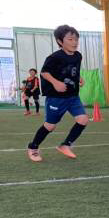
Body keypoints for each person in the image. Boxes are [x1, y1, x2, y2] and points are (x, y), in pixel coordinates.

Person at [26, 25, 88, 162]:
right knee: (50, 125)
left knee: (83, 119)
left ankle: (66, 145)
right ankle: (33, 147)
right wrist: (56, 83)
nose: (74, 42)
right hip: (56, 98)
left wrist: (79, 78)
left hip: (73, 97)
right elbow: (44, 73)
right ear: (60, 41)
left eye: (76, 39)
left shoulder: (78, 56)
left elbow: (73, 70)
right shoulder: (54, 57)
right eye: (70, 39)